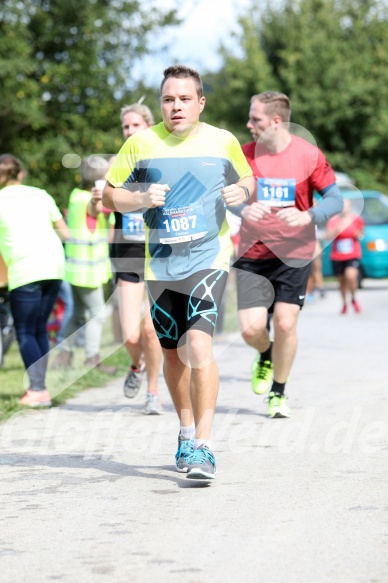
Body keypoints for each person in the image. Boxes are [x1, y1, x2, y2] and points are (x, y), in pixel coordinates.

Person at [103, 65, 254, 480]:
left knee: (199, 349)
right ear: (160, 103)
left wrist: (241, 190)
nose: (176, 106)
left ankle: (204, 446)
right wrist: (137, 197)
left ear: (200, 102)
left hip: (208, 258)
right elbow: (110, 194)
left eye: (185, 99)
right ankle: (185, 431)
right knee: (172, 354)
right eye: (169, 99)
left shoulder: (222, 141)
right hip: (161, 264)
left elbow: (247, 178)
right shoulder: (140, 143)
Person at [234, 91, 343, 418]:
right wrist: (242, 207)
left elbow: (335, 199)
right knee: (251, 329)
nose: (249, 124)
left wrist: (308, 215)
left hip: (294, 253)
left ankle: (278, 393)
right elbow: (225, 196)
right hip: (252, 254)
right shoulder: (245, 155)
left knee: (284, 323)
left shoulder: (308, 155)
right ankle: (265, 355)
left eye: (256, 119)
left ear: (276, 121)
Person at [0, 154, 69, 406]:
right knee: (39, 328)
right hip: (53, 266)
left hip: (25, 269)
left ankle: (38, 390)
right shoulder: (41, 194)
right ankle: (40, 388)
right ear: (20, 173)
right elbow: (65, 232)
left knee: (26, 330)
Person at [110, 103, 164, 415]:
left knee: (150, 330)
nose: (130, 132)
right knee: (130, 335)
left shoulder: (162, 163)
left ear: (148, 127)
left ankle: (153, 392)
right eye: (126, 127)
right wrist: (96, 203)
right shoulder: (118, 166)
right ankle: (135, 365)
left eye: (135, 125)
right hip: (127, 258)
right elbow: (97, 209)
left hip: (158, 257)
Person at [52, 156, 116, 372]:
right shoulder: (87, 199)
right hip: (88, 270)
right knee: (98, 314)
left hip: (76, 267)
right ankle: (92, 358)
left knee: (77, 314)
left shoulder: (75, 194)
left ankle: (64, 356)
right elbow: (94, 209)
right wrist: (98, 199)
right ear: (98, 178)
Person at [325, 198, 364, 314]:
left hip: (353, 253)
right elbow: (327, 237)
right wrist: (337, 229)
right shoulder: (333, 221)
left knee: (351, 276)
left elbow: (361, 234)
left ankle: (353, 297)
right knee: (341, 281)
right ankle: (344, 303)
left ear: (350, 207)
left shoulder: (357, 219)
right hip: (337, 255)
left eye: (346, 206)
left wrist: (358, 234)